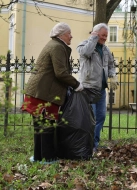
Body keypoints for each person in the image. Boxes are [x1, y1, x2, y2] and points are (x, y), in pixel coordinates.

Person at [21, 22, 83, 163]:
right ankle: (47, 158)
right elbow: (60, 73)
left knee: (40, 125)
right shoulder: (57, 47)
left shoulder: (53, 45)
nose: (71, 36)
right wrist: (77, 84)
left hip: (37, 91)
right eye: (69, 33)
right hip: (44, 93)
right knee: (47, 125)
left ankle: (38, 156)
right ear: (61, 35)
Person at [77, 23, 118, 152]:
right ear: (95, 34)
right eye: (102, 35)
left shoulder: (105, 50)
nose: (105, 38)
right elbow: (85, 53)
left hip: (101, 89)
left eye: (106, 35)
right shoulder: (85, 45)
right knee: (91, 118)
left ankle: (94, 144)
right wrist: (93, 39)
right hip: (88, 88)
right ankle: (87, 145)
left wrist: (112, 76)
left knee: (101, 117)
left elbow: (111, 65)